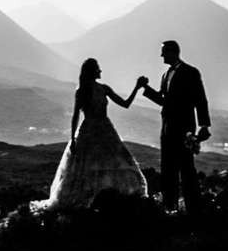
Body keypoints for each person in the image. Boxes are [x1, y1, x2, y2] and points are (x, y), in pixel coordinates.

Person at [44, 58, 149, 210]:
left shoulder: (102, 89)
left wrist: (137, 87)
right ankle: (98, 201)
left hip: (102, 130)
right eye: (98, 69)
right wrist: (72, 139)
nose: (100, 71)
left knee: (99, 165)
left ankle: (106, 199)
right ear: (92, 71)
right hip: (95, 131)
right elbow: (76, 115)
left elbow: (125, 104)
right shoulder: (83, 91)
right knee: (99, 165)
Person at [136, 38, 210, 214]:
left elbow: (200, 98)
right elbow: (164, 101)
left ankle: (194, 209)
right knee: (168, 169)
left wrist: (204, 125)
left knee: (186, 169)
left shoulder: (191, 72)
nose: (161, 55)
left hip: (184, 128)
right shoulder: (165, 75)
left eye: (163, 51)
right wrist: (145, 88)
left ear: (172, 52)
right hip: (167, 129)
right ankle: (170, 208)